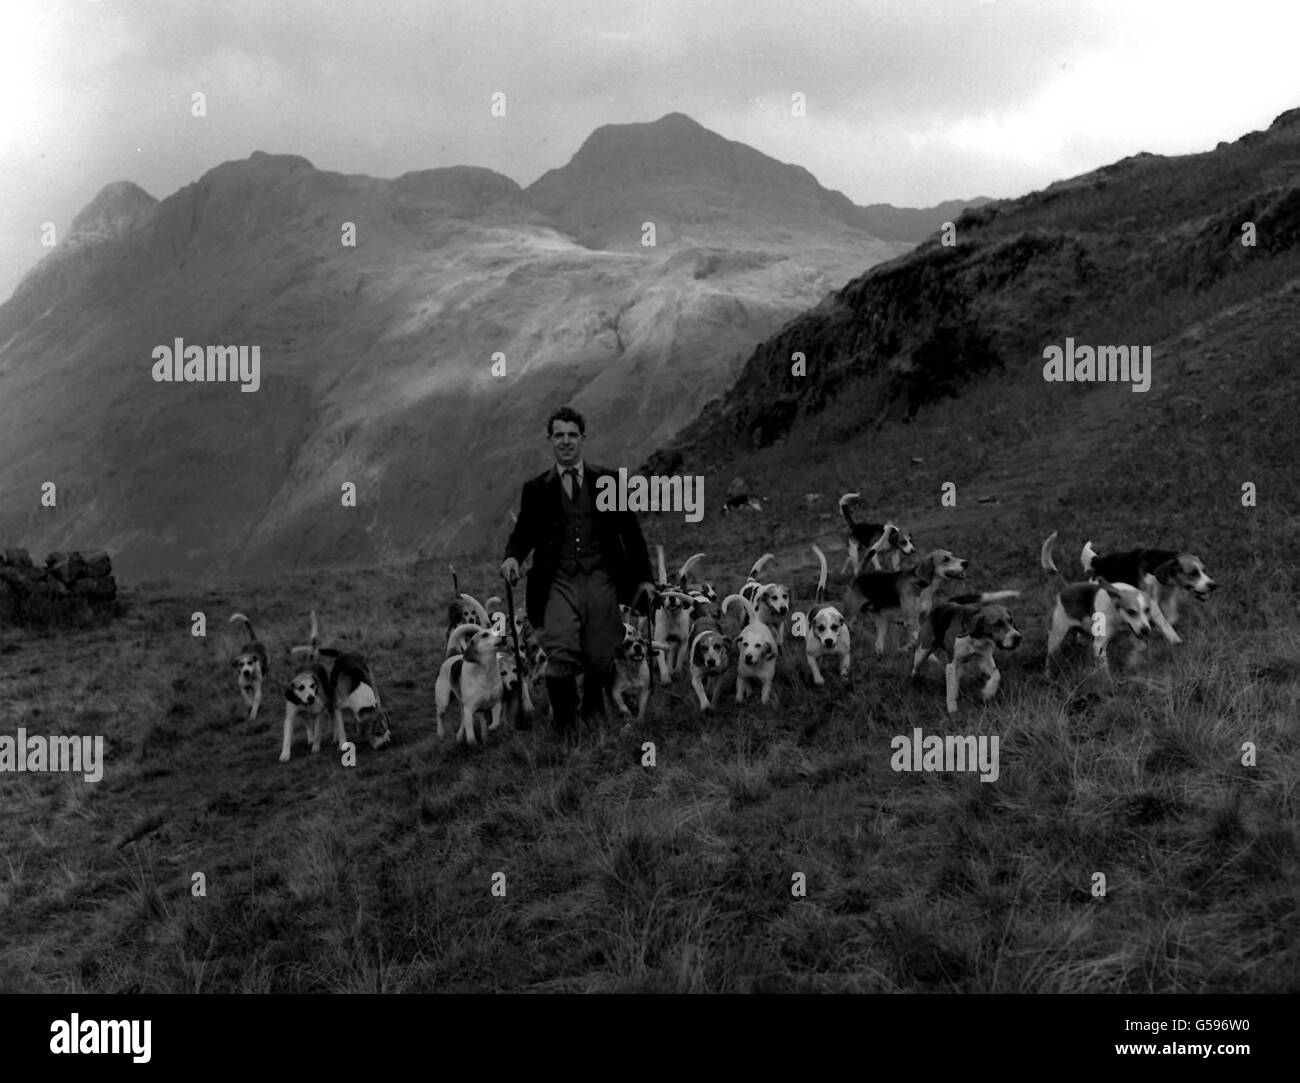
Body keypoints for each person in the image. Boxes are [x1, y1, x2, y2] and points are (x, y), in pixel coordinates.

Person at [500, 406, 655, 739]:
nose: (566, 442)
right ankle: (565, 728)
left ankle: (592, 710)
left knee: (601, 653)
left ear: (582, 438)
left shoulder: (609, 481)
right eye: (559, 435)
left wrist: (644, 579)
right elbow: (523, 533)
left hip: (601, 577)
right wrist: (512, 557)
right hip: (557, 580)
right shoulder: (536, 488)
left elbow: (632, 534)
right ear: (550, 440)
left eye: (572, 435)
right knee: (561, 652)